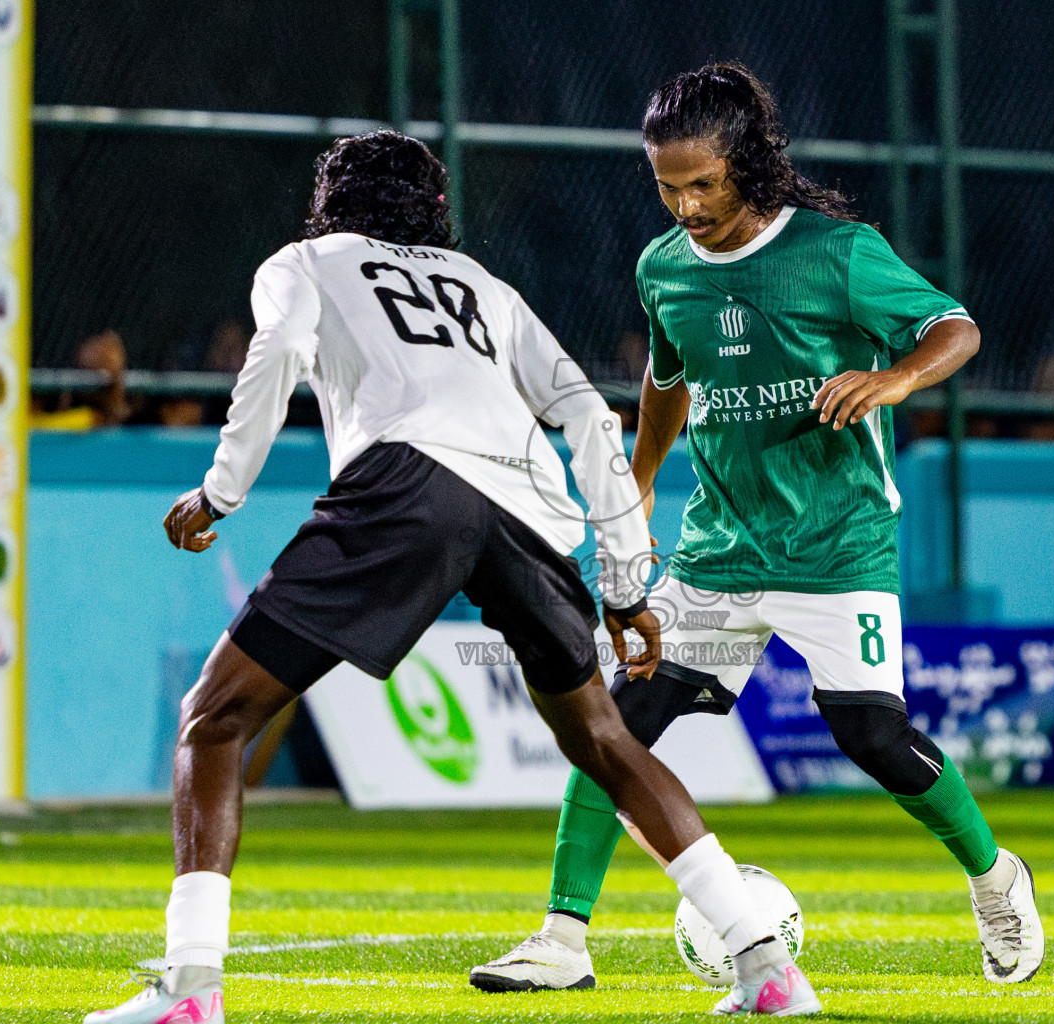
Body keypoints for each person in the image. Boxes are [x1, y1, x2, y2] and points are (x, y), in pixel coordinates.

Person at [86, 131, 821, 1024]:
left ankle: (191, 991)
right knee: (605, 742)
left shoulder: (307, 260)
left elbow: (275, 351)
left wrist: (220, 491)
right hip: (527, 507)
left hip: (409, 485)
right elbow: (587, 411)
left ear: (331, 203)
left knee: (213, 718)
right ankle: (766, 968)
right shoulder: (486, 287)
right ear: (433, 211)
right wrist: (626, 578)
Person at [471, 62, 1044, 994]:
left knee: (872, 737)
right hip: (720, 549)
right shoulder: (664, 270)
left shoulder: (838, 252)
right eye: (668, 185)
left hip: (840, 542)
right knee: (612, 724)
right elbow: (667, 380)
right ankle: (561, 939)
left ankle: (993, 878)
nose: (687, 205)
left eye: (703, 182)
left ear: (749, 163)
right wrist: (643, 476)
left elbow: (956, 329)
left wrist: (894, 379)